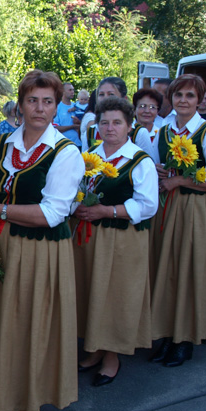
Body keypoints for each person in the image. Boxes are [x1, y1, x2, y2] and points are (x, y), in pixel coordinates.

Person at [0, 69, 84, 411]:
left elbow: (52, 214)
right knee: (5, 325)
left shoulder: (66, 153)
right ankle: (6, 399)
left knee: (29, 328)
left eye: (48, 101)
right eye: (32, 100)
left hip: (39, 253)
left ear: (57, 106)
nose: (39, 108)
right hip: (3, 248)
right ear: (20, 104)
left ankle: (26, 408)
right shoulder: (4, 144)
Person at [74, 97, 158, 384]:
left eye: (117, 123)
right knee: (91, 292)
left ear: (129, 126)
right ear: (97, 126)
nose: (110, 128)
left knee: (116, 295)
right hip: (89, 237)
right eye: (105, 122)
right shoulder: (90, 156)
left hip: (122, 240)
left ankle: (112, 356)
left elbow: (148, 206)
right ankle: (95, 348)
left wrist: (105, 210)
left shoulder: (139, 160)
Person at [150, 74, 206, 366]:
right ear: (171, 98)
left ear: (200, 100)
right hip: (168, 208)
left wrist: (179, 181)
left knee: (188, 270)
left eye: (190, 96)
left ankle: (185, 339)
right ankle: (168, 333)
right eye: (179, 95)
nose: (183, 101)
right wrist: (160, 173)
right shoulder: (163, 131)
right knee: (168, 268)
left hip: (196, 210)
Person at [81, 77, 153, 157]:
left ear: (124, 98)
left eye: (111, 94)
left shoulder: (139, 133)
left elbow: (148, 161)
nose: (105, 98)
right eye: (101, 94)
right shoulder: (90, 132)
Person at [132, 87, 163, 152]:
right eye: (142, 106)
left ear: (157, 112)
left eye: (152, 107)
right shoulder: (126, 132)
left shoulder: (162, 135)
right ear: (134, 110)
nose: (147, 111)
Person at [54, 82, 81, 147]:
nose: (72, 92)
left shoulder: (77, 106)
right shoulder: (57, 107)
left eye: (73, 90)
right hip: (63, 145)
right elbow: (55, 128)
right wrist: (72, 126)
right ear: (63, 91)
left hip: (78, 144)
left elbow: (84, 126)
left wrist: (79, 122)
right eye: (70, 90)